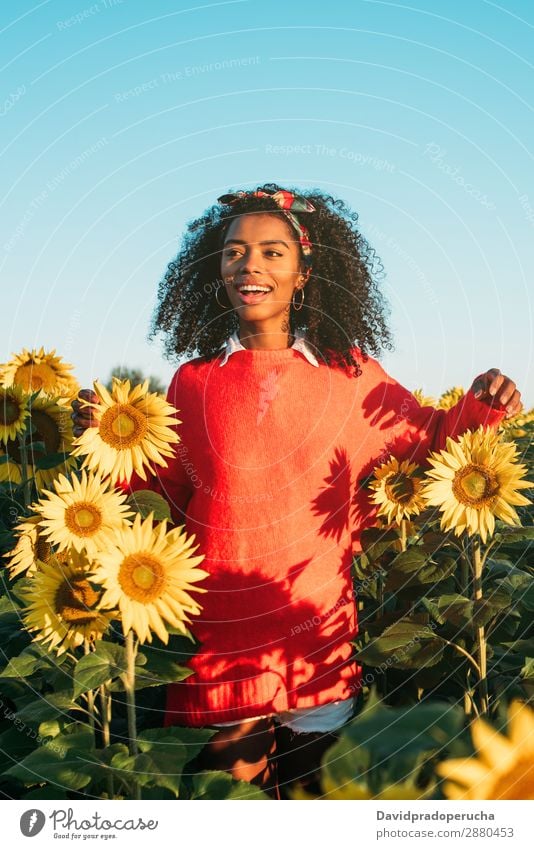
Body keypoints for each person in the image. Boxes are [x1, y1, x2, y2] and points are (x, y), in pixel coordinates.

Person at [73, 184, 522, 799]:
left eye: (271, 252)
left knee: (319, 799)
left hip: (319, 631)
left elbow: (431, 441)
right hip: (221, 627)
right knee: (230, 805)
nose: (249, 265)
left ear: (306, 274)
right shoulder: (195, 382)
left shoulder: (352, 376)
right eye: (233, 253)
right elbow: (168, 491)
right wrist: (111, 446)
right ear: (217, 271)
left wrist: (484, 403)